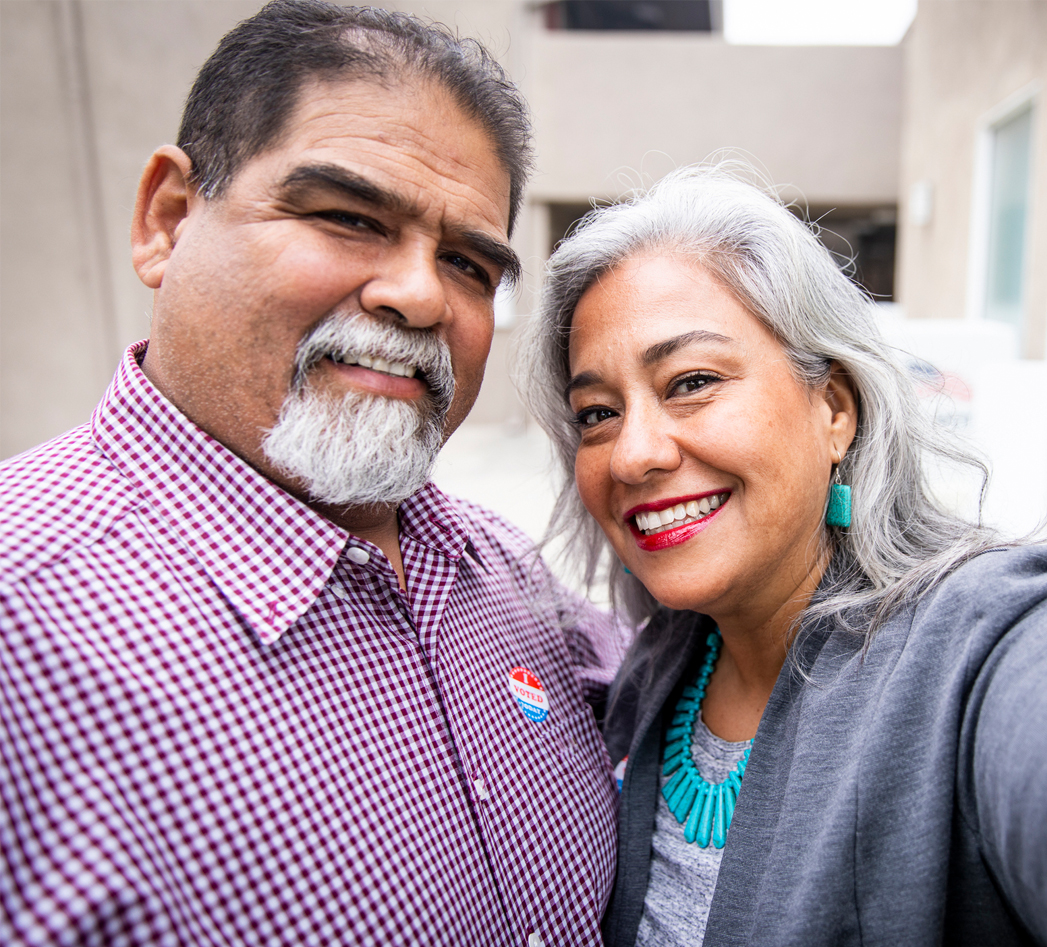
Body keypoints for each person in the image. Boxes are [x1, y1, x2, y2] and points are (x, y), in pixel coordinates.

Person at [0, 3, 618, 944]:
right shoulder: (22, 624)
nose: (417, 294)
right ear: (167, 220)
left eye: (465, 262)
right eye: (347, 216)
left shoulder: (501, 573)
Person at [519, 164, 1047, 946]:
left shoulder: (976, 648)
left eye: (691, 380)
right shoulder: (653, 672)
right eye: (597, 412)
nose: (631, 454)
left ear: (833, 409)